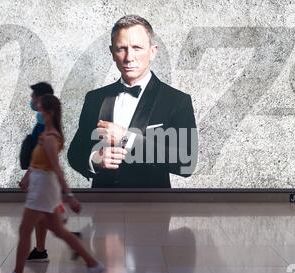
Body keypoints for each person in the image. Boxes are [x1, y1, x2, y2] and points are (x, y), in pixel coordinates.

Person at [68, 15, 198, 188]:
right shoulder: (95, 98)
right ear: (112, 53)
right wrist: (95, 159)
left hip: (152, 208)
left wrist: (126, 138)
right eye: (121, 48)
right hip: (102, 208)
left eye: (137, 48)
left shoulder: (177, 100)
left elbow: (186, 161)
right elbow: (75, 153)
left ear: (152, 51)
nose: (129, 57)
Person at [0, 94, 105, 273]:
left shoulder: (50, 138)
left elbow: (57, 169)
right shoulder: (45, 135)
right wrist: (26, 179)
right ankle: (93, 264)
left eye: (40, 110)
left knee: (25, 229)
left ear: (48, 113)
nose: (38, 113)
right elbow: (35, 163)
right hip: (41, 185)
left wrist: (69, 196)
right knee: (58, 230)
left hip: (43, 188)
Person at [24, 82, 80, 262]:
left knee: (43, 222)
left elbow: (50, 164)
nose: (31, 102)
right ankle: (43, 248)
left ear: (41, 101)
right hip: (43, 181)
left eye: (33, 98)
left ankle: (74, 246)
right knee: (49, 220)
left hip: (44, 182)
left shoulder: (45, 129)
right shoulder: (47, 124)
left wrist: (68, 194)